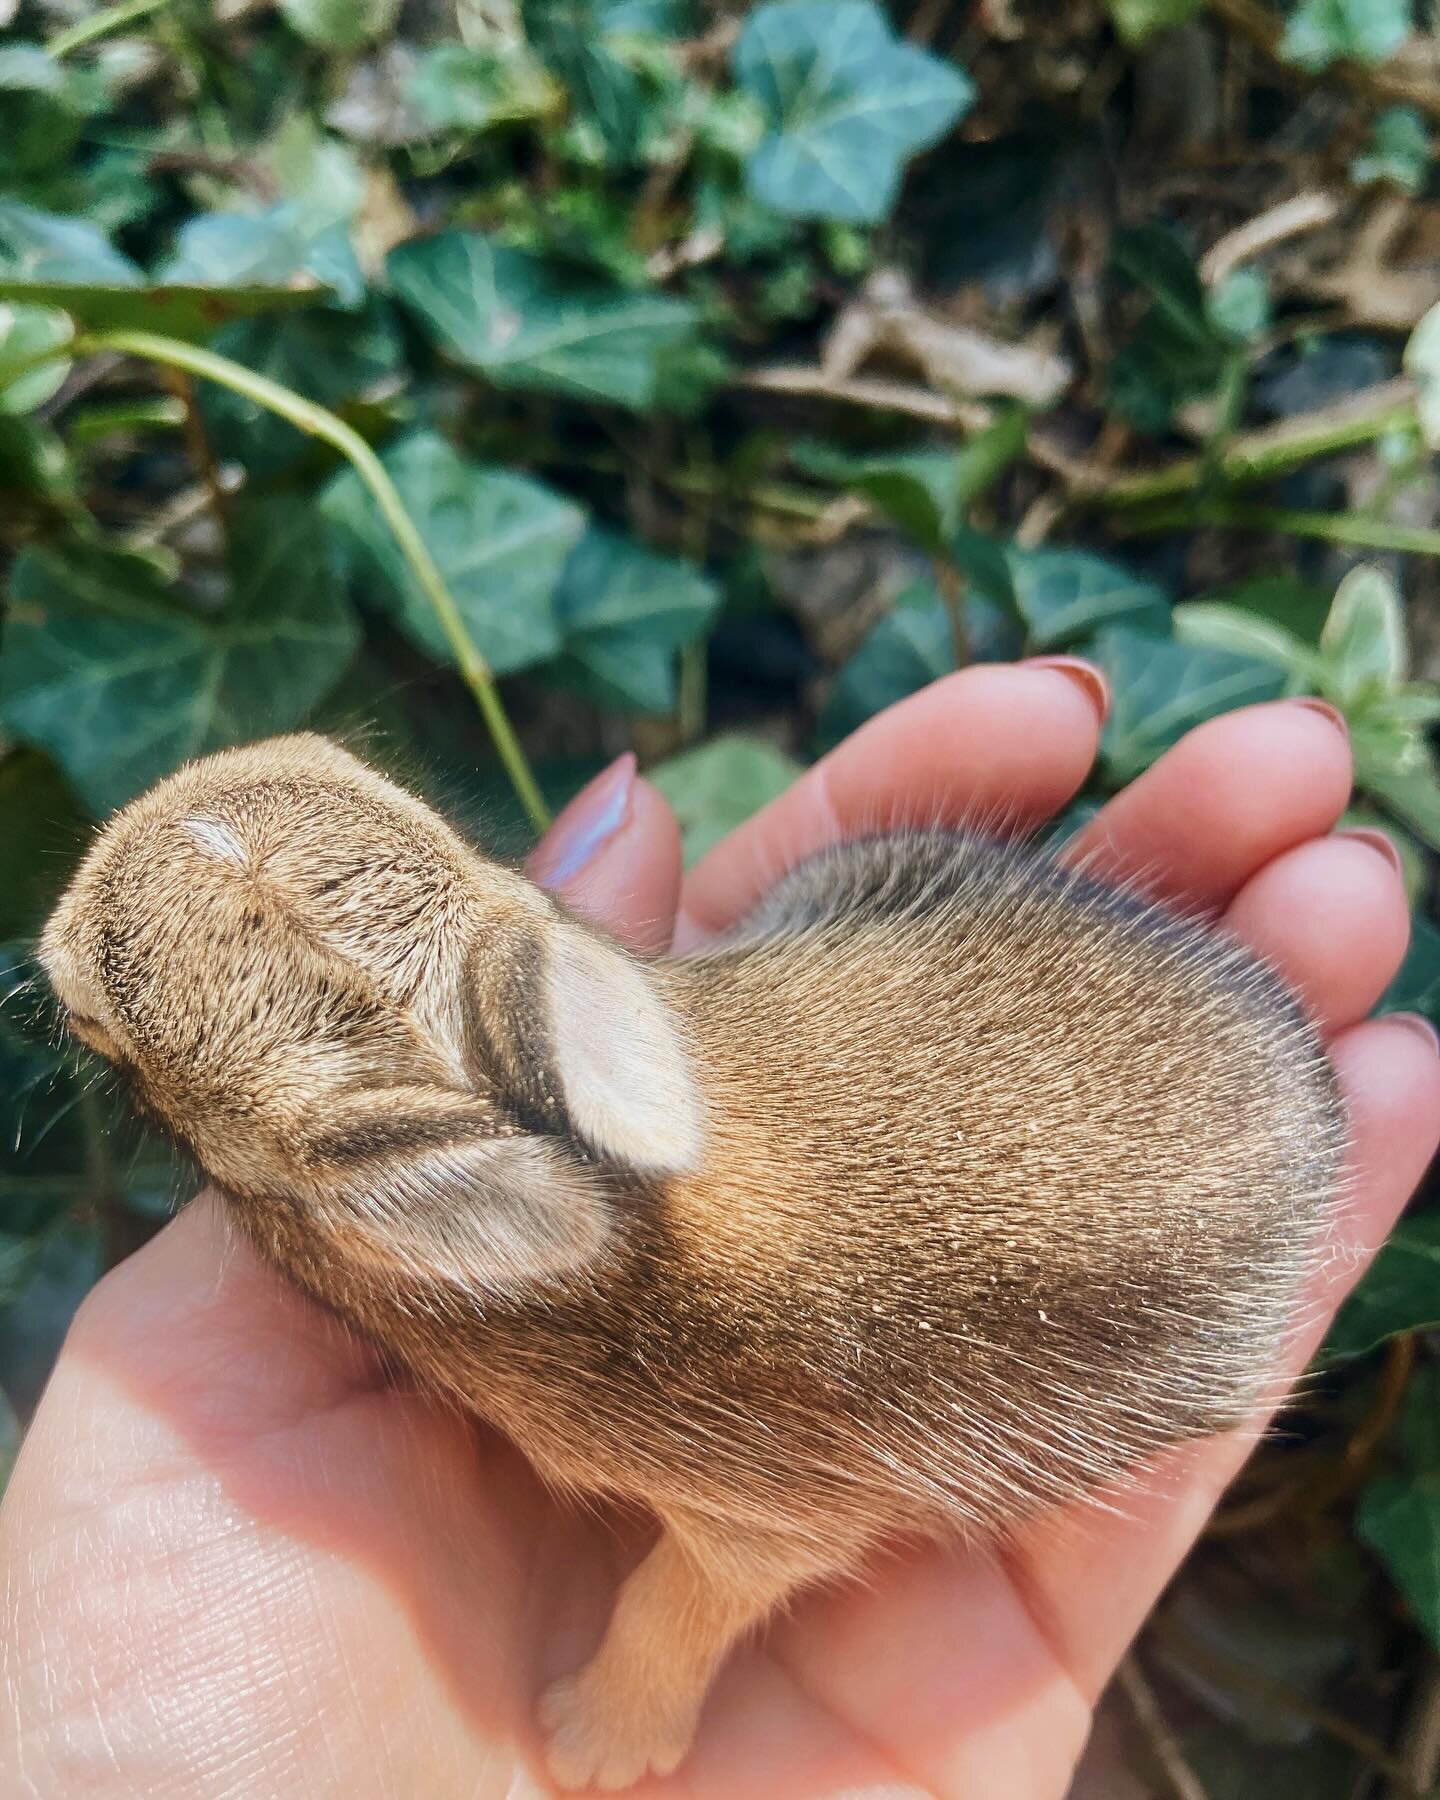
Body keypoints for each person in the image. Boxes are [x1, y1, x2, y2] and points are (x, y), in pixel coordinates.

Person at [2, 660, 1436, 1799]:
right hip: (1119, 1089)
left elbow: (767, 1523)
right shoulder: (572, 1113)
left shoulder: (564, 1340)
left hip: (1176, 1213)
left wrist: (644, 1678)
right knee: (842, 916)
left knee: (849, 939)